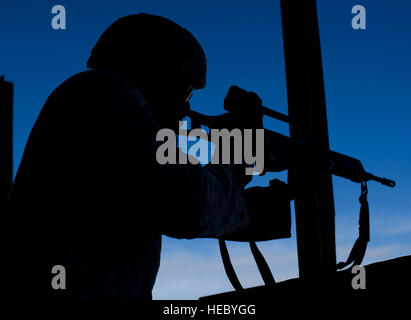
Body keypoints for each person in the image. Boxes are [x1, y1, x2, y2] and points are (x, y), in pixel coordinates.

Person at [6, 13, 263, 301]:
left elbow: (159, 200)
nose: (183, 110)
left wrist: (245, 188)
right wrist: (239, 159)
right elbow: (185, 203)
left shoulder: (95, 98)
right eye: (185, 91)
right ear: (155, 71)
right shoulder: (102, 92)